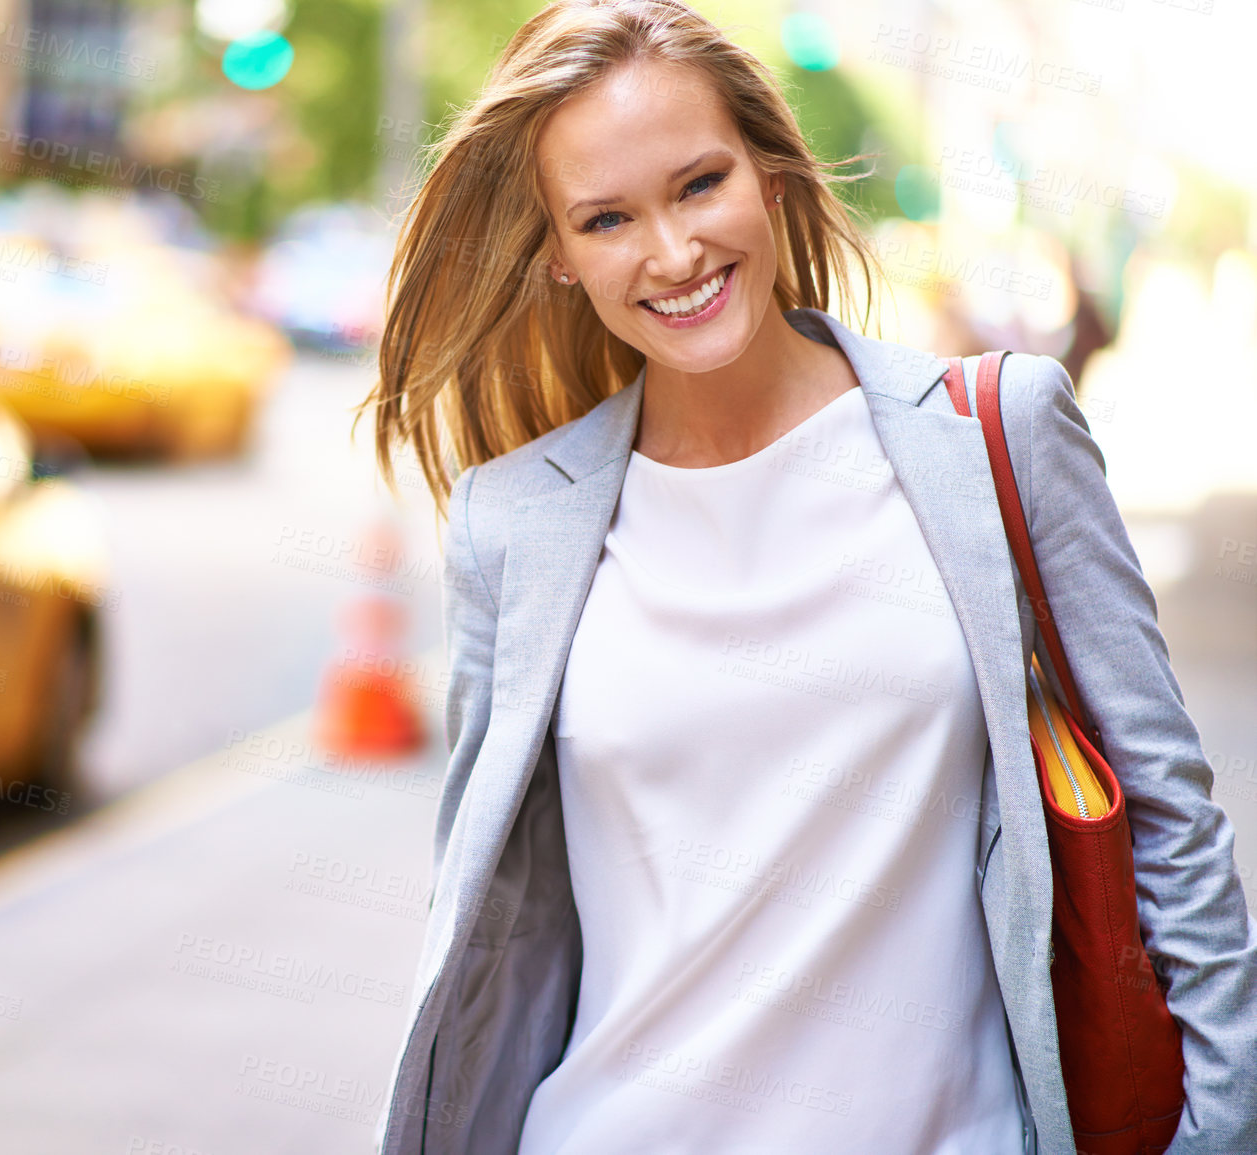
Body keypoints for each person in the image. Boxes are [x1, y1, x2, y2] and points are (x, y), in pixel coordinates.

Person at [357, 2, 1257, 1153]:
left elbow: (1173, 823)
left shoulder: (996, 440)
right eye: (605, 218)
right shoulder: (511, 526)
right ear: (561, 259)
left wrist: (1219, 1131)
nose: (673, 253)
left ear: (771, 176)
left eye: (699, 184)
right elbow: (490, 917)